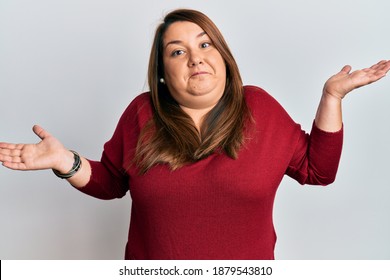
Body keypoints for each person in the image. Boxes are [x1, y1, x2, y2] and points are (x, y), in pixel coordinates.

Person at [0, 9, 389, 260]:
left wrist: (332, 96)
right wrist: (64, 161)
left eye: (205, 44)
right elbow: (112, 182)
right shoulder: (142, 113)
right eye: (177, 51)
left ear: (222, 56)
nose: (195, 57)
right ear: (163, 73)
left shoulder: (260, 109)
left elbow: (318, 171)